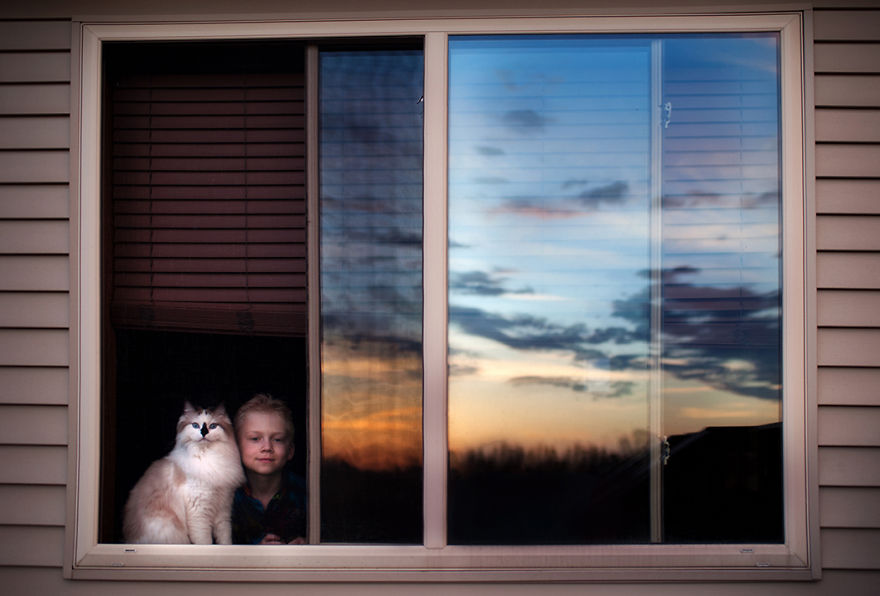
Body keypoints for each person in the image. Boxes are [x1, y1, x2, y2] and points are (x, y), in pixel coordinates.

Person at [232, 393, 306, 545]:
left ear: (290, 450)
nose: (267, 447)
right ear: (236, 447)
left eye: (277, 439)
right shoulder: (226, 497)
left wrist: (308, 545)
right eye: (255, 439)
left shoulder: (306, 495)